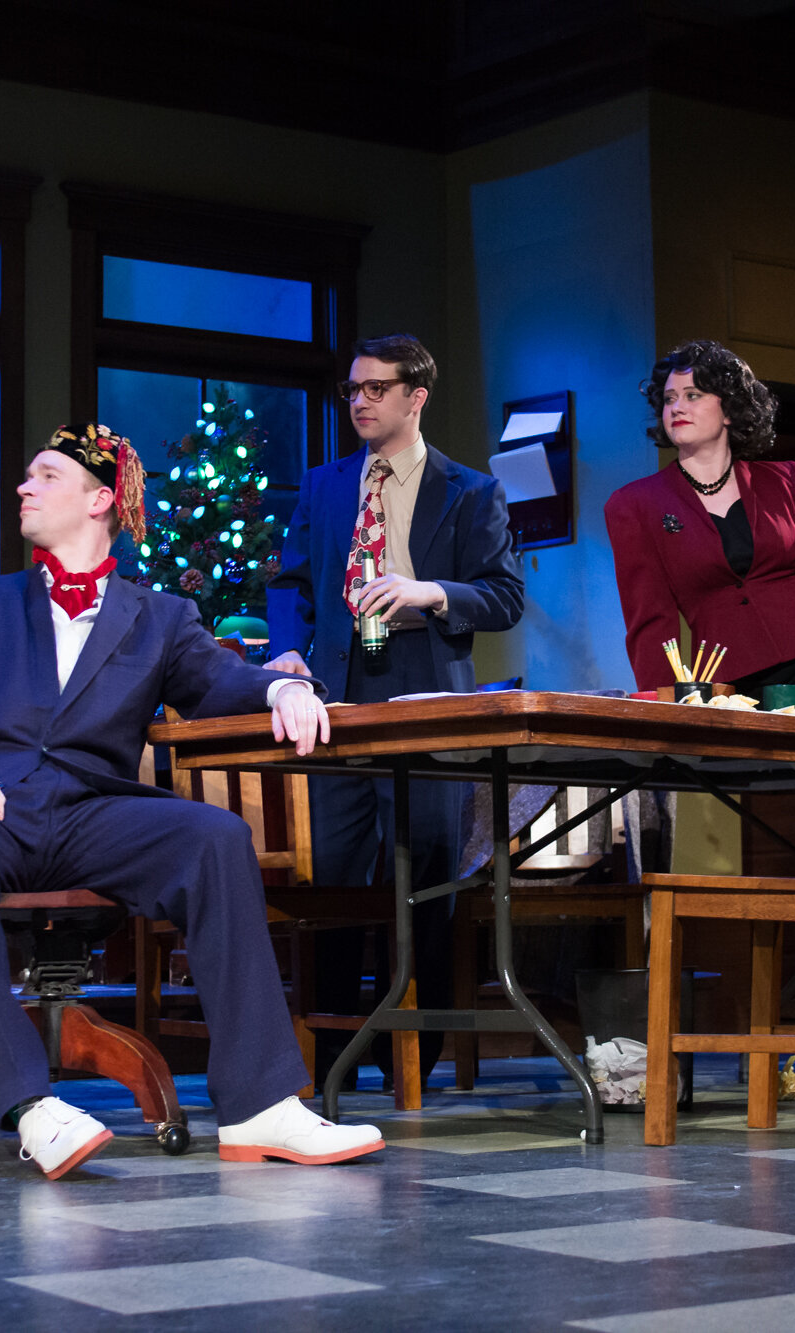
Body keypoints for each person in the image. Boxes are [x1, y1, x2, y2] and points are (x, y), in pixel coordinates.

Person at [0, 423, 382, 1178]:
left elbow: (218, 681)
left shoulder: (160, 616)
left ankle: (260, 1106)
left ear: (99, 500)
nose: (23, 486)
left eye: (45, 475)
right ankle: (31, 1104)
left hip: (95, 813)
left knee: (214, 837)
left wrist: (282, 687)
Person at [265, 334, 524, 1090]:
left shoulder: (470, 491)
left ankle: (413, 1050)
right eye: (353, 389)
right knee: (336, 879)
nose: (361, 401)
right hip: (336, 697)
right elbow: (290, 584)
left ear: (417, 396)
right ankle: (331, 1054)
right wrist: (288, 650)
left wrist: (430, 592)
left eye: (377, 388)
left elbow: (505, 597)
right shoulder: (325, 485)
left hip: (423, 698)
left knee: (427, 878)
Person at [605, 340, 795, 710]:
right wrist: (663, 705)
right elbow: (650, 620)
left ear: (729, 410)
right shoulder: (634, 504)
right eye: (669, 399)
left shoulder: (787, 479)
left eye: (693, 395)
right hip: (739, 678)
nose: (677, 407)